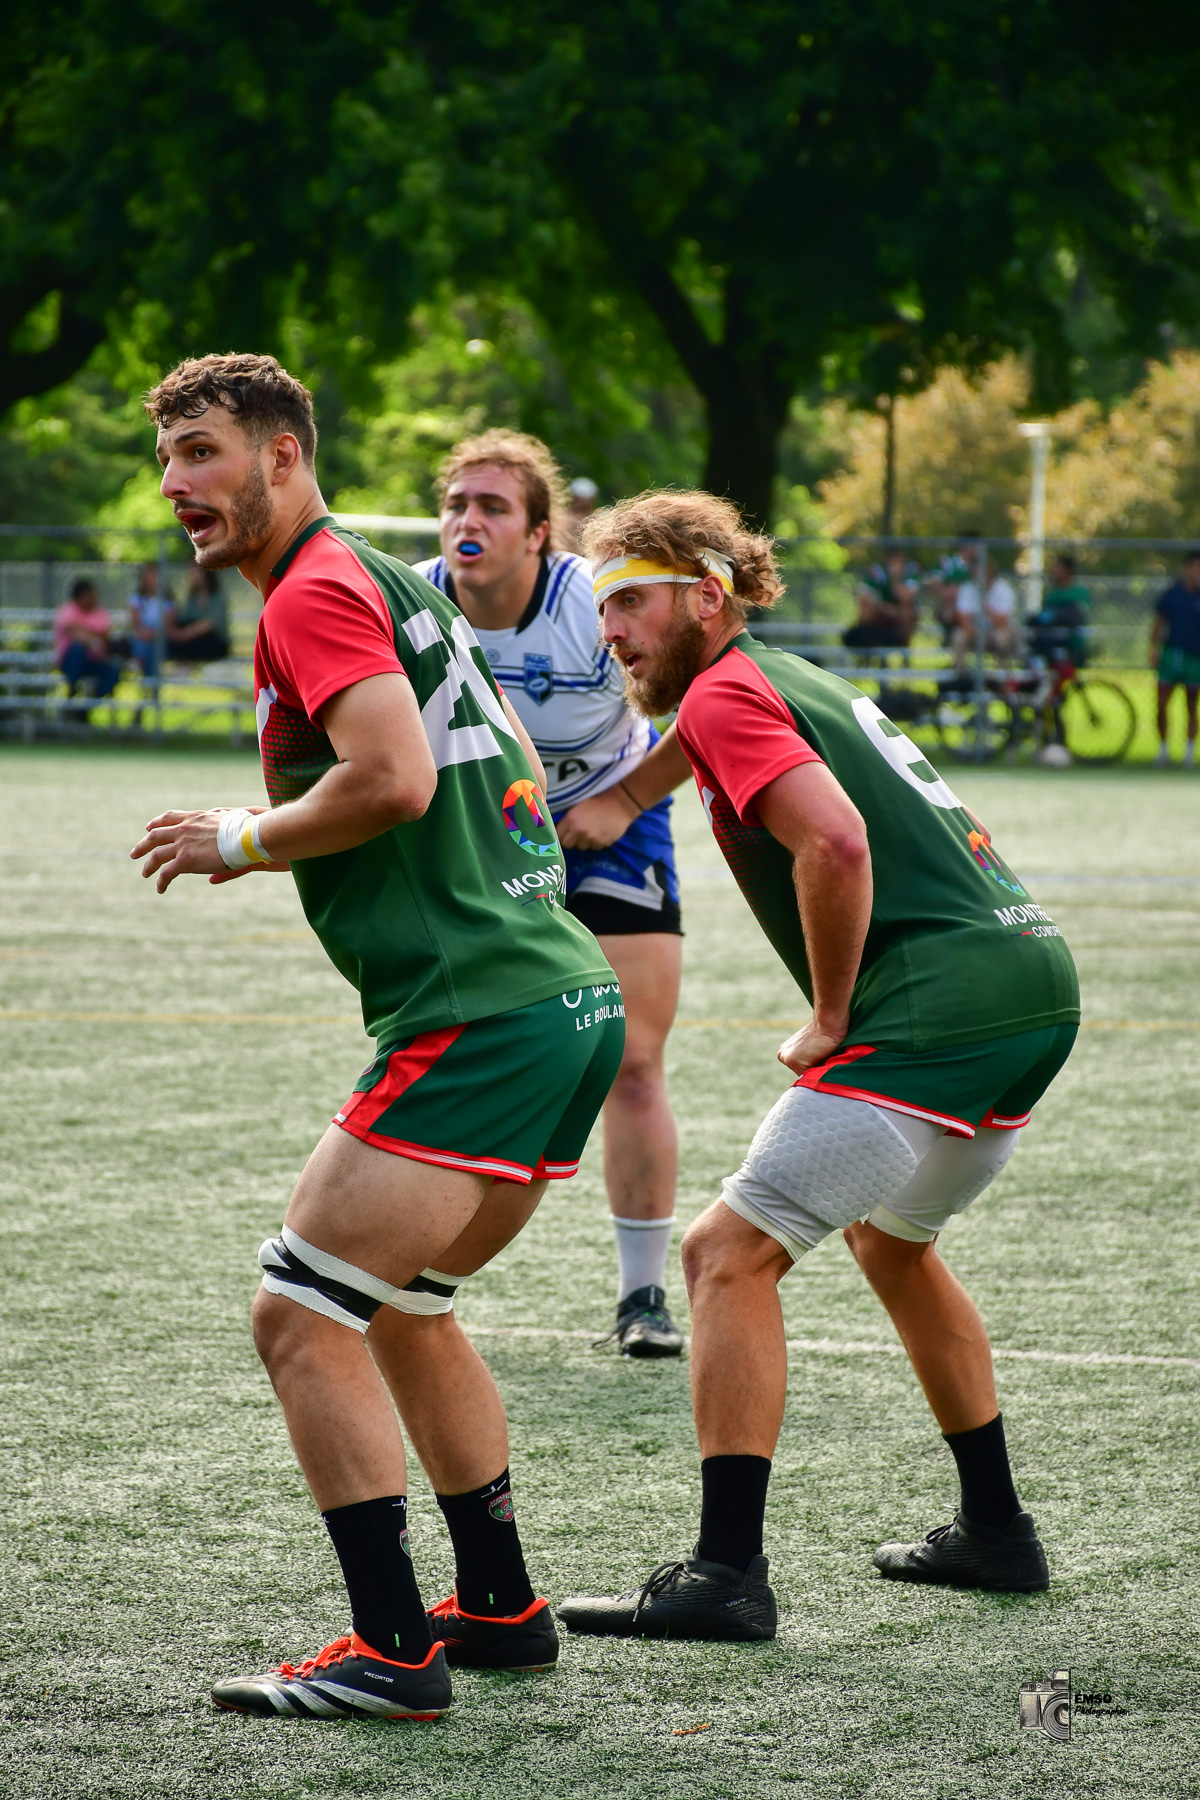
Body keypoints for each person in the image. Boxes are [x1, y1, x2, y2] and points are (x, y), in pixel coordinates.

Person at [132, 353, 622, 1719]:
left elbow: (396, 779)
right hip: (557, 994)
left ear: (284, 455)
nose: (179, 486)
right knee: (402, 1304)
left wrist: (241, 836)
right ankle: (500, 1604)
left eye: (204, 454)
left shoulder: (312, 590)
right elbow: (489, 755)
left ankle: (394, 1652)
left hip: (484, 1009)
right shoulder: (390, 575)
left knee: (299, 1313)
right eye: (167, 461)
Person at [556, 489, 1080, 1644]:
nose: (615, 632)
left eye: (632, 603)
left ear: (708, 594)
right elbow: (650, 782)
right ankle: (997, 1530)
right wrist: (578, 817)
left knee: (723, 1257)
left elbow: (834, 840)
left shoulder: (730, 690)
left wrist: (833, 1015)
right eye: (606, 613)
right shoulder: (783, 680)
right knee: (892, 1245)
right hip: (1034, 985)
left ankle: (725, 1574)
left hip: (938, 1006)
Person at [414, 431, 692, 1357]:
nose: (468, 521)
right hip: (492, 833)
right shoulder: (414, 605)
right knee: (461, 1050)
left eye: (493, 507)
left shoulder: (590, 601)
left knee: (634, 1061)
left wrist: (622, 800)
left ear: (541, 535)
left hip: (614, 817)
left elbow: (722, 703)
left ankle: (644, 1296)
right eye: (457, 504)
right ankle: (419, 1269)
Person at [1150, 550, 1200, 767]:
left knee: (1191, 704)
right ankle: (1163, 750)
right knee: (1161, 703)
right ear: (1186, 568)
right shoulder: (1172, 594)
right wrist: (1154, 648)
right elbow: (1159, 623)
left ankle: (1189, 752)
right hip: (1171, 654)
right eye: (1193, 566)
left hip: (1195, 657)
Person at [54, 577, 121, 703]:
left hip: (94, 660)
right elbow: (72, 630)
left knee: (113, 672)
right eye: (90, 595)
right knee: (77, 649)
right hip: (70, 661)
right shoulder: (69, 610)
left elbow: (105, 635)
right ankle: (72, 689)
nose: (94, 598)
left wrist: (84, 631)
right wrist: (92, 639)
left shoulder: (100, 612)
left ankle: (88, 706)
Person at [841, 549, 918, 650]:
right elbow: (864, 595)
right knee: (866, 610)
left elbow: (905, 597)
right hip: (880, 612)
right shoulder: (877, 571)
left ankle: (902, 647)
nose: (895, 565)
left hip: (899, 614)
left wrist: (895, 578)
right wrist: (884, 608)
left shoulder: (911, 571)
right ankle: (867, 649)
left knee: (907, 611)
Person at [1027, 554, 1091, 667]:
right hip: (1047, 637)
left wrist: (1056, 616)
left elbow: (1076, 616)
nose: (1052, 572)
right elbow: (1041, 618)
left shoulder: (1078, 592)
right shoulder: (1052, 593)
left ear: (1066, 571)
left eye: (1057, 569)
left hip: (1069, 640)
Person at [954, 554, 1019, 665]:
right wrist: (975, 633)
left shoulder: (1004, 589)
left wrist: (986, 608)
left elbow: (1003, 621)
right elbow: (962, 617)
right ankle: (961, 677)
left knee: (1001, 639)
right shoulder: (967, 588)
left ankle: (1001, 678)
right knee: (958, 637)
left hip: (997, 631)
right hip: (974, 632)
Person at [167, 565, 231, 662]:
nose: (192, 577)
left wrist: (184, 634)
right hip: (197, 640)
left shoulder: (217, 597)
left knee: (192, 642)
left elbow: (209, 624)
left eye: (194, 573)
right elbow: (185, 618)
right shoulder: (192, 598)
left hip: (216, 642)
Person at [127, 563, 174, 679]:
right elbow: (135, 624)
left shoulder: (168, 602)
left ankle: (151, 684)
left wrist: (153, 634)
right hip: (141, 638)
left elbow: (166, 626)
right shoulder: (136, 600)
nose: (152, 581)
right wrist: (144, 633)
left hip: (159, 639)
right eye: (149, 577)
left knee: (154, 648)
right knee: (145, 648)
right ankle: (150, 683)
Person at [562, 475, 599, 553]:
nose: (583, 502)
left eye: (585, 498)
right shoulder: (561, 520)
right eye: (580, 497)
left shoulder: (599, 521)